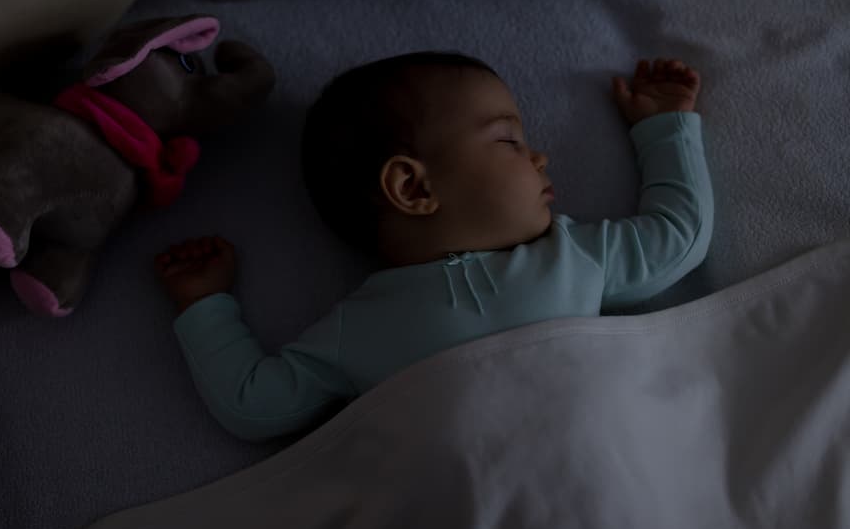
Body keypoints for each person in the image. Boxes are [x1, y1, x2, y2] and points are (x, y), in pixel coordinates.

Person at [155, 53, 713, 442]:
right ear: (414, 188)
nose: (539, 158)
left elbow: (677, 237)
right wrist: (206, 307)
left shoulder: (570, 256)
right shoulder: (358, 327)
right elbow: (255, 406)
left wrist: (666, 127)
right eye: (510, 140)